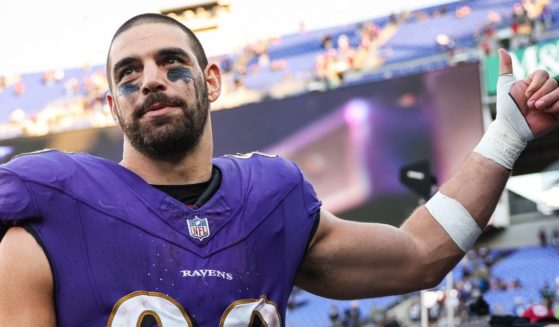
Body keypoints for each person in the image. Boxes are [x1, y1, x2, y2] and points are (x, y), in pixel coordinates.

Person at [1, 13, 559, 326]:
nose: (150, 80)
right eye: (128, 74)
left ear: (212, 81)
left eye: (173, 64)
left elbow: (419, 256)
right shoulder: (53, 199)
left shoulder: (271, 199)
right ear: (111, 106)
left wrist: (507, 136)